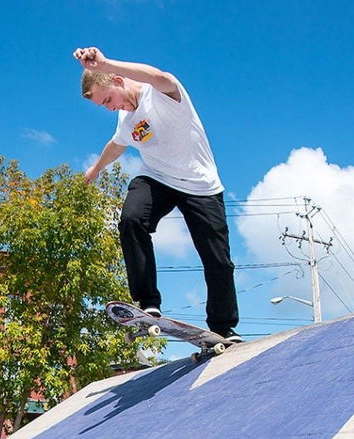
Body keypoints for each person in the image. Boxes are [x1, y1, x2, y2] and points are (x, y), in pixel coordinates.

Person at [74, 46, 240, 342]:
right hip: (158, 179)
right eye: (104, 106)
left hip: (200, 185)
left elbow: (160, 76)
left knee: (218, 261)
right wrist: (96, 169)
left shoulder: (161, 93)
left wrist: (106, 63)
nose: (111, 108)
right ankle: (147, 303)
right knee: (131, 219)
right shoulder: (125, 120)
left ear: (117, 80)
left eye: (108, 100)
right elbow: (116, 145)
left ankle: (223, 326)